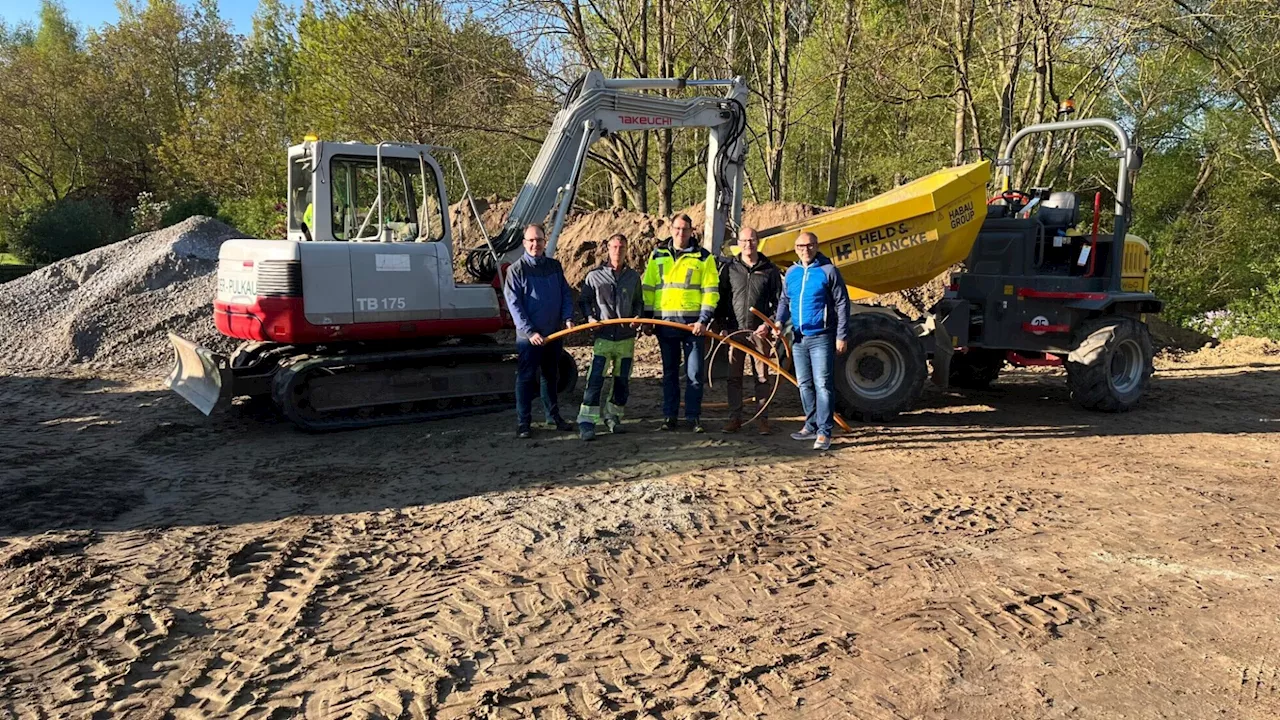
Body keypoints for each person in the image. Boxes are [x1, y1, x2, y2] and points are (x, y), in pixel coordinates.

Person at [763, 231, 850, 450]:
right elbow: (785, 300)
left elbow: (842, 304)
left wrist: (841, 335)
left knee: (823, 384)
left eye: (810, 245)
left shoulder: (828, 271)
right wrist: (780, 322)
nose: (806, 249)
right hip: (799, 337)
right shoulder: (791, 273)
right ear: (796, 248)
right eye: (801, 246)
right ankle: (810, 426)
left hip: (822, 336)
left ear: (817, 246)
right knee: (804, 384)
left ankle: (824, 432)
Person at [642, 214, 720, 432]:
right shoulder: (658, 255)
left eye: (685, 229)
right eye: (677, 228)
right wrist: (648, 319)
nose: (680, 233)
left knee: (694, 374)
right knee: (669, 374)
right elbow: (649, 287)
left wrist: (703, 320)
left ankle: (693, 418)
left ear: (691, 231)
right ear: (671, 228)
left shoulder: (703, 258)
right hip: (665, 325)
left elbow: (711, 292)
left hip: (692, 327)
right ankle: (670, 417)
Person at [504, 223, 575, 438]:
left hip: (553, 334)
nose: (536, 244)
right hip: (529, 338)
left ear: (545, 242)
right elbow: (514, 304)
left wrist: (568, 317)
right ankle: (523, 423)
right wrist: (530, 331)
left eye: (540, 240)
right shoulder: (517, 270)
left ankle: (553, 416)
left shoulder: (554, 266)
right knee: (526, 378)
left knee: (550, 376)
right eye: (531, 240)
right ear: (525, 243)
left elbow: (565, 293)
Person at [576, 233, 643, 441]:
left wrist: (638, 317)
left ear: (626, 250)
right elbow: (584, 301)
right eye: (614, 247)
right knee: (595, 379)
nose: (618, 251)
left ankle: (613, 416)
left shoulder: (633, 277)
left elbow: (639, 302)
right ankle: (587, 421)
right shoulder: (594, 276)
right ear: (607, 248)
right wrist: (590, 318)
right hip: (603, 337)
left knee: (622, 381)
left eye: (622, 247)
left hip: (626, 338)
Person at [718, 226, 783, 435]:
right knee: (733, 377)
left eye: (752, 240)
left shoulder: (769, 270)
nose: (748, 244)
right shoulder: (730, 269)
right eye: (744, 241)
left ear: (758, 242)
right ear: (739, 243)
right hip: (735, 331)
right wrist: (723, 326)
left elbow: (779, 302)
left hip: (759, 332)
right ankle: (734, 418)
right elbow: (721, 299)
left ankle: (762, 419)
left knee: (762, 378)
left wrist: (769, 323)